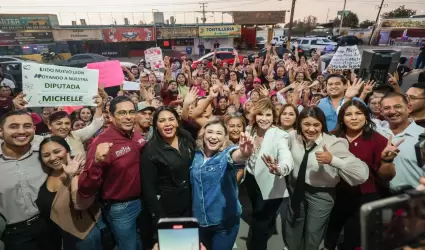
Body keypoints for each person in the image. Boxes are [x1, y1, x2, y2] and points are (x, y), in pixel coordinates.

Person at [277, 106, 369, 250]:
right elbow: (284, 156)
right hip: (296, 188)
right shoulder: (293, 136)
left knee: (313, 232)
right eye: (307, 124)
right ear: (300, 123)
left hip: (321, 193)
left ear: (322, 125)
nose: (311, 129)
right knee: (293, 224)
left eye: (316, 125)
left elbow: (361, 174)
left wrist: (333, 160)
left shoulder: (333, 143)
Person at [325, 100, 399, 250]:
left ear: (366, 116)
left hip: (365, 197)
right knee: (329, 238)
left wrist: (387, 160)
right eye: (348, 114)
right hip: (335, 195)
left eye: (359, 113)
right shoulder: (331, 137)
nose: (354, 118)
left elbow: (387, 176)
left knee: (354, 240)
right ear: (341, 118)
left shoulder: (378, 140)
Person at [78, 96, 145, 250]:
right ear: (111, 116)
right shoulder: (101, 143)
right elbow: (85, 188)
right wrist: (96, 162)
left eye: (131, 112)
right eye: (122, 113)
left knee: (142, 242)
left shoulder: (135, 135)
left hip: (143, 201)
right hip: (121, 209)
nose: (128, 117)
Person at [0, 110, 60, 250]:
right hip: (14, 234)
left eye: (27, 126)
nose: (21, 131)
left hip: (51, 224)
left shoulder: (45, 154)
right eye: (13, 126)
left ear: (34, 129)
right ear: (1, 131)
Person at [191, 120, 254, 250]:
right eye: (210, 132)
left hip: (224, 223)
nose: (214, 136)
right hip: (199, 221)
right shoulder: (195, 154)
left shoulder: (227, 153)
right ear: (203, 135)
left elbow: (236, 156)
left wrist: (244, 153)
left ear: (225, 138)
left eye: (219, 133)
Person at [36, 136, 105, 250]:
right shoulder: (47, 173)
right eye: (46, 155)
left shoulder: (82, 169)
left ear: (67, 150)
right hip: (63, 233)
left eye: (57, 151)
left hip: (84, 234)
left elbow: (80, 204)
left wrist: (73, 175)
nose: (53, 158)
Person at [244, 98, 294, 250]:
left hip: (272, 183)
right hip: (251, 180)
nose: (264, 119)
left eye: (268, 115)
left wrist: (280, 168)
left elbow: (286, 157)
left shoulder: (279, 135)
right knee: (257, 213)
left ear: (274, 117)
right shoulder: (249, 130)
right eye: (260, 114)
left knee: (261, 222)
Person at [140, 105, 195, 224]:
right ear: (156, 126)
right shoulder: (150, 151)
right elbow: (148, 189)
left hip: (192, 202)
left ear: (177, 122)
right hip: (169, 208)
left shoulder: (186, 138)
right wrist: (159, 216)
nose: (167, 124)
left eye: (171, 119)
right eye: (162, 120)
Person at [377, 92, 425, 191]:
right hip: (383, 197)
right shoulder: (377, 132)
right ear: (381, 111)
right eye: (386, 108)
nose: (392, 111)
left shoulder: (422, 136)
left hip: (415, 199)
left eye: (397, 106)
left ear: (409, 108)